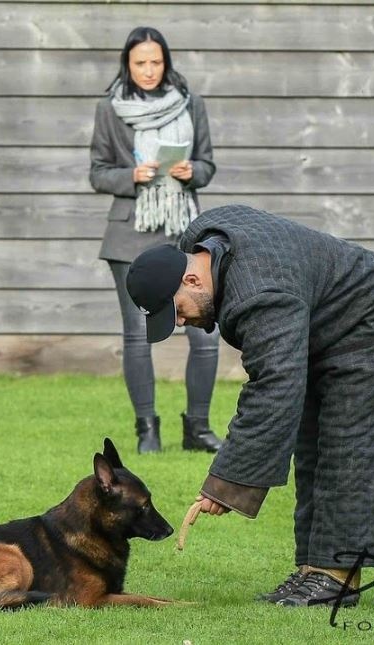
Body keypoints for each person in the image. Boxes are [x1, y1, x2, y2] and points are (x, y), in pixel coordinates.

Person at [126, 204, 374, 607]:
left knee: (352, 443)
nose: (178, 323)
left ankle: (338, 578)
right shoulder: (204, 242)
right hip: (320, 313)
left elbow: (274, 386)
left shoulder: (259, 293)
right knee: (313, 444)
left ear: (192, 277)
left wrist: (224, 485)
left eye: (176, 310)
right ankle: (314, 570)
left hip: (372, 313)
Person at [89, 26, 222, 455]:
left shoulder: (191, 104)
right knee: (138, 333)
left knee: (205, 332)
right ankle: (148, 431)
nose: (149, 70)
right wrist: (132, 176)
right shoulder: (110, 109)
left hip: (185, 232)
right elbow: (97, 172)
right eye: (140, 63)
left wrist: (191, 172)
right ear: (127, 65)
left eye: (156, 62)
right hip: (130, 234)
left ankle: (198, 428)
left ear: (167, 63)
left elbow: (207, 164)